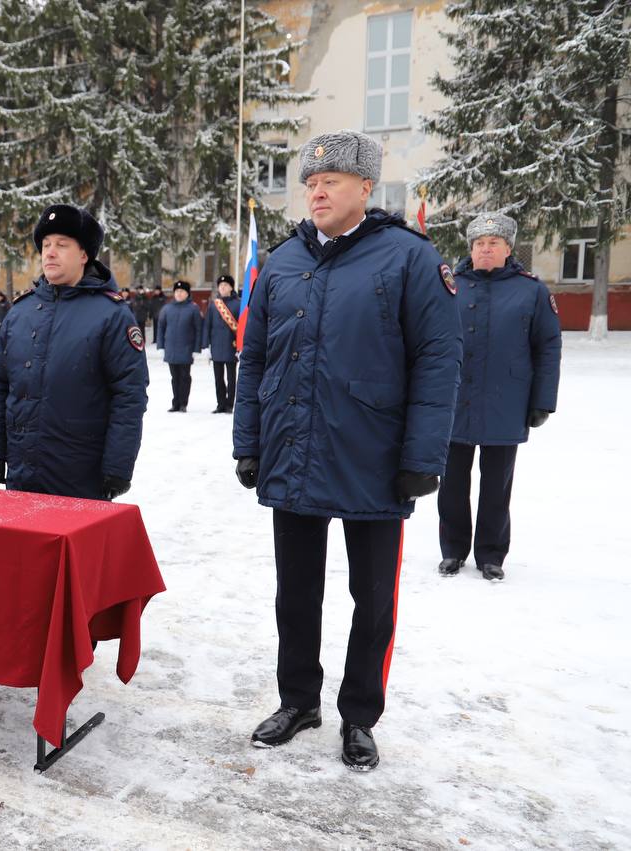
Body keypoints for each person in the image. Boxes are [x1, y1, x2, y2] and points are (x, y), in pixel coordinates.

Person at [233, 130, 461, 771]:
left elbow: (438, 360)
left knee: (373, 597)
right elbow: (254, 361)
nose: (318, 191)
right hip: (293, 451)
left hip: (375, 458)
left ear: (366, 187)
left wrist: (423, 455)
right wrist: (248, 441)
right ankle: (298, 699)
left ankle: (359, 716)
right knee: (295, 592)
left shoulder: (409, 258)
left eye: (331, 180)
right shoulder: (281, 263)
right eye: (310, 182)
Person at [0, 203, 150, 501]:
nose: (50, 252)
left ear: (84, 255)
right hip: (23, 470)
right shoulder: (20, 313)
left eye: (61, 244)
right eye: (45, 245)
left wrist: (118, 465)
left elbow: (129, 395)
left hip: (81, 473)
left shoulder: (111, 315)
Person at [436, 211, 562, 583]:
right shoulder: (450, 286)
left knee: (497, 485)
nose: (485, 250)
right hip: (454, 401)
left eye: (493, 244)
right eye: (479, 244)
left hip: (507, 400)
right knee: (452, 482)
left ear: (508, 248)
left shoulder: (531, 290)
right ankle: (453, 550)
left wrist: (543, 400)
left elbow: (548, 346)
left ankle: (491, 555)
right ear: (470, 249)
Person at [156, 280, 206, 412]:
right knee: (174, 377)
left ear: (187, 294)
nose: (179, 294)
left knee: (184, 377)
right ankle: (175, 403)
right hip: (171, 348)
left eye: (182, 291)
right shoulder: (167, 308)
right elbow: (160, 328)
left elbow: (198, 329)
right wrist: (161, 346)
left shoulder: (193, 309)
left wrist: (196, 349)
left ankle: (183, 403)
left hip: (186, 348)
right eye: (177, 291)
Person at [203, 275, 242, 413]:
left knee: (231, 378)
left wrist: (240, 346)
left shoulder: (239, 304)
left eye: (225, 285)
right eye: (220, 285)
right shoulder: (214, 305)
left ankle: (230, 404)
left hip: (231, 347)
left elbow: (242, 327)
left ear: (231, 287)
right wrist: (205, 346)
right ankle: (220, 404)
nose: (223, 287)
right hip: (216, 347)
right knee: (218, 378)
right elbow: (207, 326)